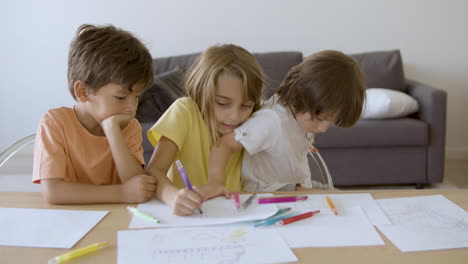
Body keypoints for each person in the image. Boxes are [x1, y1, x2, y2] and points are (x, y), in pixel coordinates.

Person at [32, 24, 156, 204]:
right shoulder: (55, 123)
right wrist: (121, 194)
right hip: (69, 220)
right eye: (120, 97)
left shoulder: (129, 127)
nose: (132, 108)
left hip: (117, 219)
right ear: (83, 92)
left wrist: (113, 131)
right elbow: (53, 192)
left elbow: (137, 188)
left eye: (137, 97)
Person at [208, 50, 365, 192]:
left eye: (330, 121)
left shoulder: (297, 113)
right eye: (319, 119)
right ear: (297, 95)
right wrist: (215, 183)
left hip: (297, 182)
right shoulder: (271, 120)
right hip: (268, 191)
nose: (324, 129)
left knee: (349, 199)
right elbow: (224, 145)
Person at [145, 44, 264, 215]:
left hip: (235, 215)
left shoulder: (254, 121)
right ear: (201, 92)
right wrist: (172, 197)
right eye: (222, 103)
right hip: (186, 216)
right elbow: (154, 172)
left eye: (246, 105)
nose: (235, 117)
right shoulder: (184, 112)